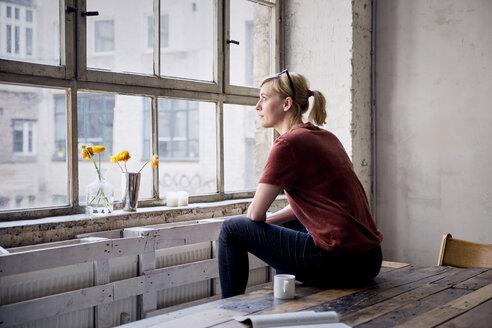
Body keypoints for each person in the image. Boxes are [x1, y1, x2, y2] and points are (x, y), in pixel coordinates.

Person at [218, 70, 383, 298]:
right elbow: (317, 205)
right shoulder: (326, 137)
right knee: (286, 226)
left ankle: (228, 311)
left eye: (264, 98)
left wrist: (260, 224)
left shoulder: (287, 144)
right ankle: (285, 296)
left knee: (231, 229)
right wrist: (271, 223)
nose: (258, 106)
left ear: (287, 103)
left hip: (341, 263)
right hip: (370, 260)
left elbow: (255, 215)